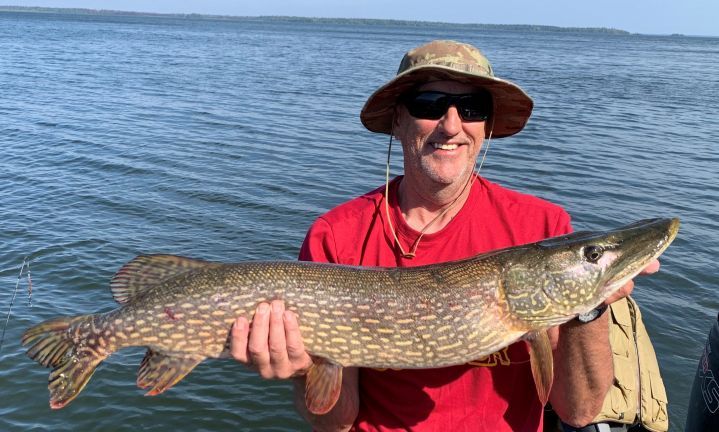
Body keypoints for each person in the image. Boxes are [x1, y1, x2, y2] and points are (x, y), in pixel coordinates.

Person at [229, 40, 661, 431]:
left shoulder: (540, 225)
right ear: (398, 121)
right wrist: (306, 368)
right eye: (429, 103)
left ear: (486, 126)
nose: (452, 125)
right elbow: (337, 422)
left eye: (471, 107)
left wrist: (589, 304)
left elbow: (579, 411)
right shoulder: (337, 235)